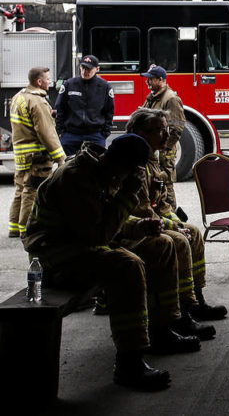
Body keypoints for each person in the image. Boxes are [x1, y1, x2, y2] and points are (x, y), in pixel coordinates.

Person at [23, 134, 197, 391]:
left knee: (160, 246)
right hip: (54, 257)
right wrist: (128, 196)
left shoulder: (100, 171)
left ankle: (163, 329)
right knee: (127, 266)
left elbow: (100, 220)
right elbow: (97, 234)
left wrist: (139, 225)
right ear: (124, 166)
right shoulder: (76, 178)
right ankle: (129, 362)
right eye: (133, 173)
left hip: (78, 245)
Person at [126, 107, 227, 323]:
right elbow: (143, 212)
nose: (167, 135)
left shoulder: (152, 159)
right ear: (142, 134)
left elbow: (161, 206)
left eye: (166, 129)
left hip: (151, 222)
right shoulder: (136, 162)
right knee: (178, 241)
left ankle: (196, 300)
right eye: (159, 130)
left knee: (193, 232)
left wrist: (177, 223)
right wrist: (174, 229)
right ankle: (178, 314)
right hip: (132, 230)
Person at [8, 67, 65, 238]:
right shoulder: (37, 102)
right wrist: (60, 157)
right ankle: (27, 230)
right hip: (37, 158)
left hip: (21, 156)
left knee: (20, 190)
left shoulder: (19, 97)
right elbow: (46, 132)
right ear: (39, 82)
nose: (50, 81)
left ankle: (14, 227)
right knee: (32, 192)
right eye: (47, 79)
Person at [140, 65, 185, 208]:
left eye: (150, 79)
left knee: (165, 182)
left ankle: (172, 213)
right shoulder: (153, 97)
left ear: (161, 80)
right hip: (153, 149)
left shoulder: (171, 99)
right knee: (154, 182)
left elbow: (176, 128)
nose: (147, 82)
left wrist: (163, 147)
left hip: (164, 151)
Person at [55, 54, 114, 156]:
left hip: (95, 135)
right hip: (71, 135)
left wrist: (104, 133)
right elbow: (60, 108)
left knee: (95, 169)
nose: (84, 71)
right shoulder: (69, 84)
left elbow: (109, 110)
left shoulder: (104, 87)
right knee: (70, 169)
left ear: (97, 69)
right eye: (83, 68)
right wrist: (61, 131)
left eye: (88, 69)